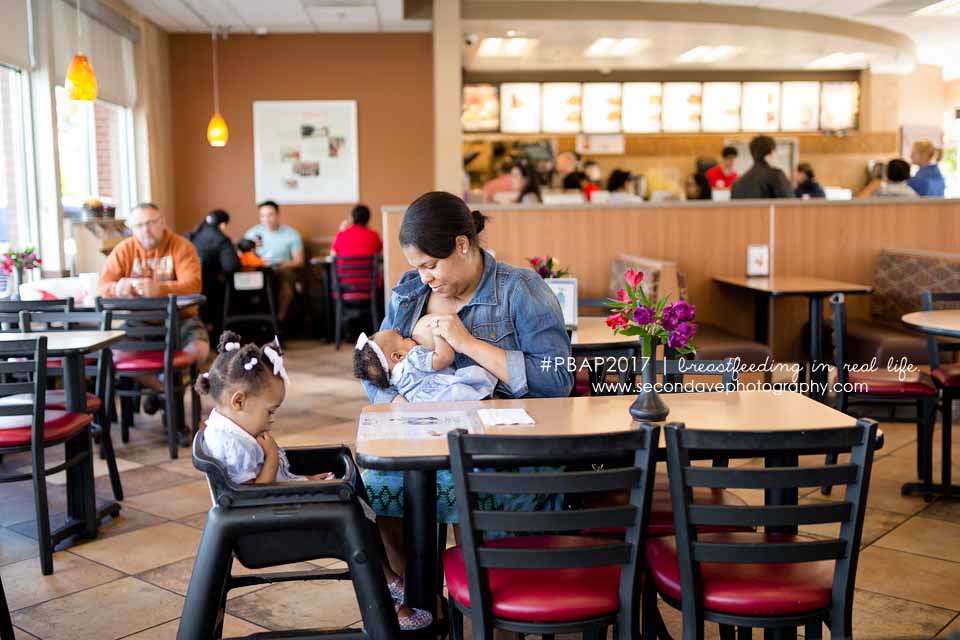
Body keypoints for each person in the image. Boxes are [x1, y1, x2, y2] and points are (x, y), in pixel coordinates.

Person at [358, 191, 572, 561]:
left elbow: (557, 380)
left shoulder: (519, 289)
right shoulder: (409, 295)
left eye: (431, 265)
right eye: (418, 266)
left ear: (461, 244)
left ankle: (487, 594)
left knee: (484, 486)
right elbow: (373, 367)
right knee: (376, 487)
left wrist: (468, 344)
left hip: (505, 449)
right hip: (425, 447)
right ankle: (420, 604)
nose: (425, 278)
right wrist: (399, 403)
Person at [198, 330, 432, 632]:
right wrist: (272, 459)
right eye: (270, 411)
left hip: (276, 506)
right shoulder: (231, 444)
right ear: (239, 400)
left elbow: (265, 484)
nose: (272, 420)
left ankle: (389, 584)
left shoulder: (235, 427)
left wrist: (301, 479)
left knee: (350, 484)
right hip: (262, 529)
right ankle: (390, 593)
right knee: (355, 519)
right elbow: (251, 493)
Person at [98, 203, 208, 443]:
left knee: (199, 350)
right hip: (138, 323)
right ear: (132, 229)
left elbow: (193, 286)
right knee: (113, 355)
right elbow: (102, 286)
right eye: (139, 225)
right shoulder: (124, 250)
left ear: (162, 222)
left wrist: (160, 289)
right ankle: (164, 390)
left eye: (151, 222)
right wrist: (119, 286)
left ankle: (163, 391)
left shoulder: (182, 247)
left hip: (181, 320)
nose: (146, 229)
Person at [354, 316, 497, 403]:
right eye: (404, 338)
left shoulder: (395, 382)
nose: (408, 337)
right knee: (468, 396)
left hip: (424, 405)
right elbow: (444, 358)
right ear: (398, 356)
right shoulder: (412, 359)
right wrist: (438, 335)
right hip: (445, 396)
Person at [244, 201, 304, 325]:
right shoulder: (252, 234)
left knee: (286, 283)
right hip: (258, 269)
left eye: (270, 215)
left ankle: (279, 321)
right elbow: (243, 255)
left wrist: (282, 264)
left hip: (282, 269)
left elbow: (299, 261)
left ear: (277, 215)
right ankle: (257, 322)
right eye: (263, 216)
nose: (267, 219)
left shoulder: (291, 234)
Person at [187, 209, 241, 342]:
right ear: (223, 225)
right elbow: (231, 266)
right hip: (210, 290)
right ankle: (219, 335)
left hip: (188, 288)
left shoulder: (192, 235)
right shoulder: (222, 239)